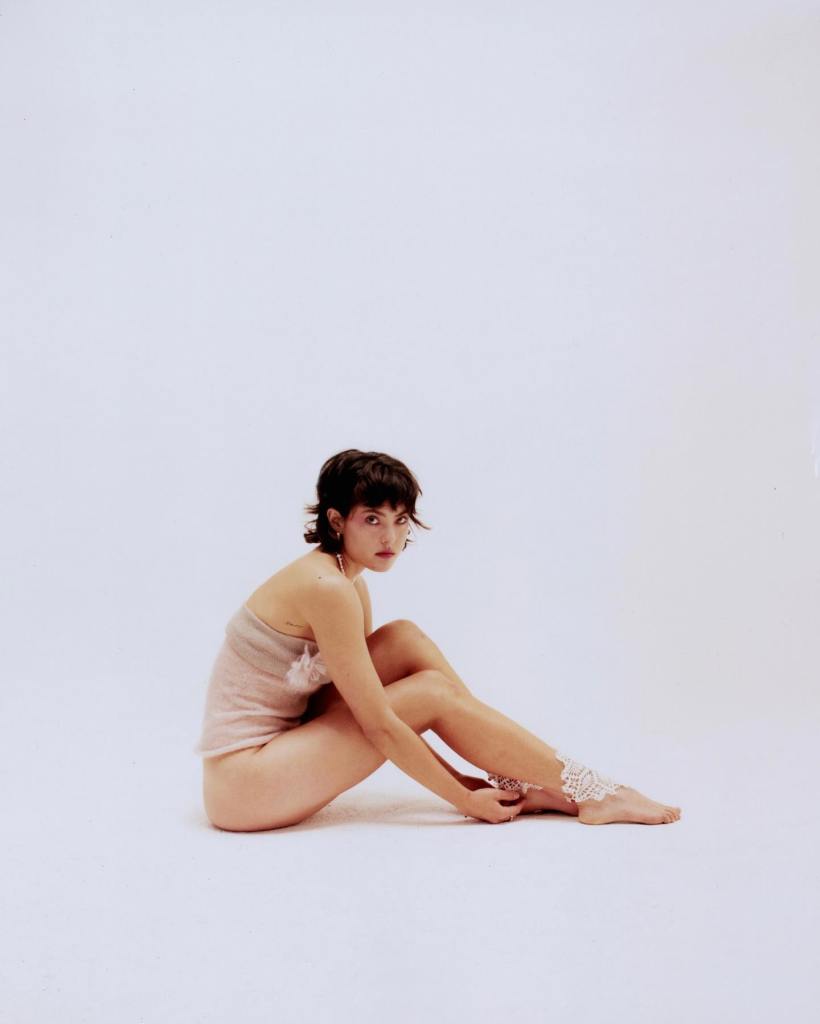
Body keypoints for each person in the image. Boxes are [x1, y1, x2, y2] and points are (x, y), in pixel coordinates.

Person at [194, 448, 682, 831]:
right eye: (372, 519)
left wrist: (463, 776)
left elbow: (368, 703)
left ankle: (519, 779)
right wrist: (463, 797)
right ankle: (595, 791)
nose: (390, 537)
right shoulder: (327, 588)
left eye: (400, 519)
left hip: (281, 748)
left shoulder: (347, 579)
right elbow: (380, 725)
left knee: (404, 639)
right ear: (337, 520)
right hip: (245, 785)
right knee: (430, 693)